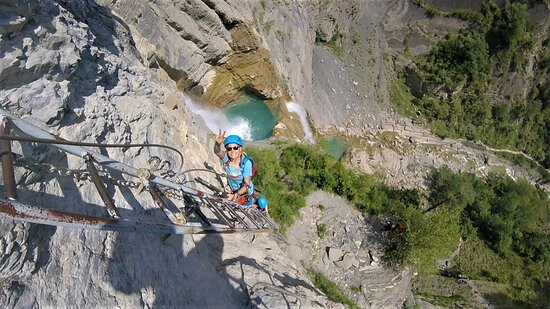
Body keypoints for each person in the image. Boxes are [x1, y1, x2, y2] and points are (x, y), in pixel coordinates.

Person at [213, 130, 255, 205]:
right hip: (233, 189)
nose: (232, 151)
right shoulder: (228, 160)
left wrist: (235, 195)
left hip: (244, 193)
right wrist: (217, 144)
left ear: (240, 149)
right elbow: (217, 151)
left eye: (235, 148)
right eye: (229, 149)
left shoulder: (246, 163)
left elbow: (246, 185)